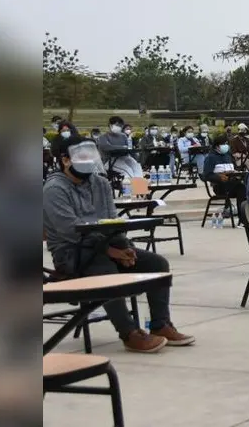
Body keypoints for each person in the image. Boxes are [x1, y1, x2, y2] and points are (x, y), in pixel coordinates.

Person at [43, 136, 195, 352]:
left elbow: (112, 221)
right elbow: (70, 231)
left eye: (91, 155)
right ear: (65, 160)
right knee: (107, 272)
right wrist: (112, 251)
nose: (88, 160)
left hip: (107, 246)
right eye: (81, 156)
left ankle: (161, 325)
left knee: (157, 265)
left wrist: (125, 247)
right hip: (71, 254)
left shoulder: (101, 183)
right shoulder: (54, 189)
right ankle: (129, 333)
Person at [201, 134, 246, 213]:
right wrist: (219, 177)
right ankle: (242, 217)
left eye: (226, 143)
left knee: (244, 187)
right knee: (241, 189)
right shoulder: (210, 158)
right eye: (223, 144)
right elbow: (206, 175)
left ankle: (243, 214)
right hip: (220, 186)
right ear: (216, 146)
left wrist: (237, 172)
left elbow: (234, 168)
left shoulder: (228, 156)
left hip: (232, 183)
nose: (225, 146)